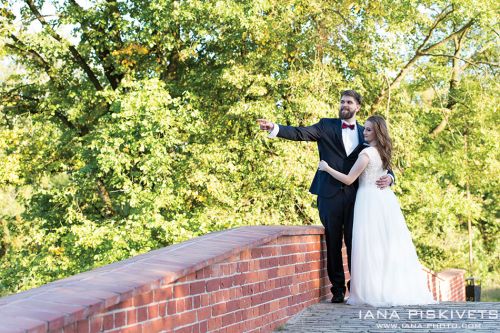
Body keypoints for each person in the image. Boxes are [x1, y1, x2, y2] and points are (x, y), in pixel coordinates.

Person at [257, 90, 394, 303]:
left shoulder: (366, 132)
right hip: (329, 194)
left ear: (357, 106)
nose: (344, 105)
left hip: (357, 196)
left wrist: (391, 177)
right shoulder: (325, 126)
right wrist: (274, 128)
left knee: (355, 242)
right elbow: (299, 133)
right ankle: (337, 290)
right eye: (341, 101)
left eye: (349, 102)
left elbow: (381, 159)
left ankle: (356, 288)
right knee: (332, 241)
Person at [318, 115, 436, 306]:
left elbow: (349, 179)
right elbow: (385, 170)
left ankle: (372, 290)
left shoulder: (366, 154)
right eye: (364, 129)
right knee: (384, 246)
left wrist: (327, 168)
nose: (364, 132)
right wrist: (390, 177)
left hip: (368, 201)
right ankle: (384, 288)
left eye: (368, 130)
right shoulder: (383, 151)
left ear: (377, 132)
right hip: (385, 200)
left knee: (369, 247)